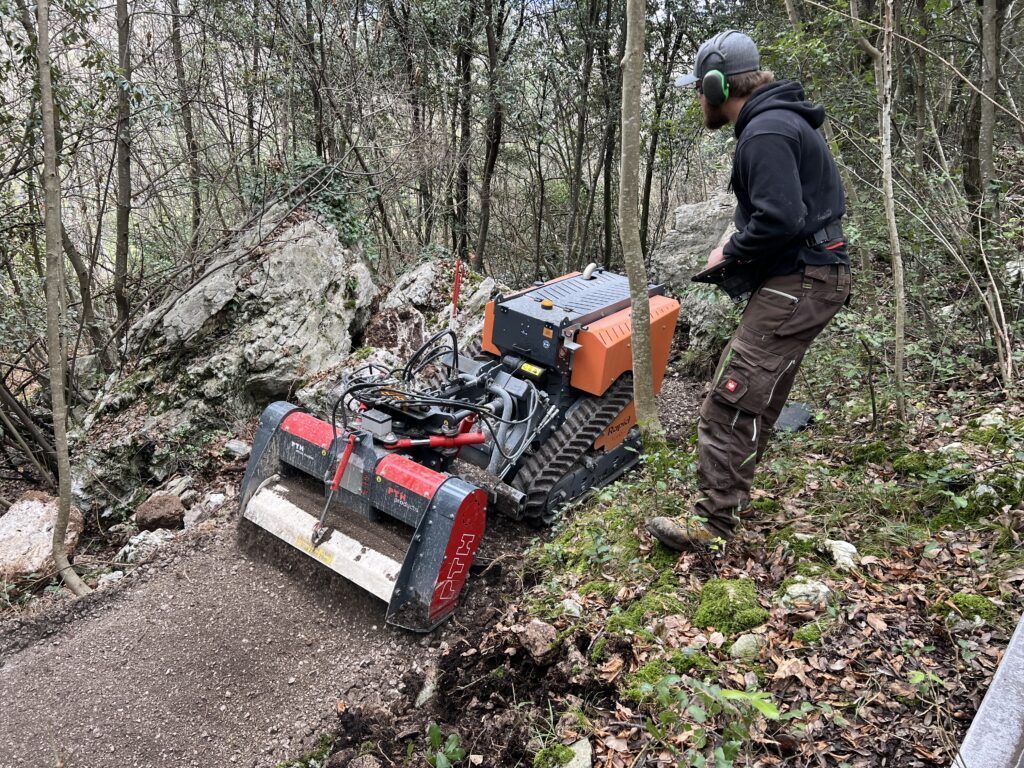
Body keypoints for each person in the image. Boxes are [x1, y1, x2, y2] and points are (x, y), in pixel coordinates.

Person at [647, 30, 852, 551]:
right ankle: (730, 501)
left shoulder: (765, 131)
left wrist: (730, 251)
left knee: (731, 398)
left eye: (700, 89)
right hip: (810, 278)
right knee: (759, 397)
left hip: (800, 280)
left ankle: (712, 524)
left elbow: (781, 217)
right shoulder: (778, 122)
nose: (699, 99)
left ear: (718, 87)